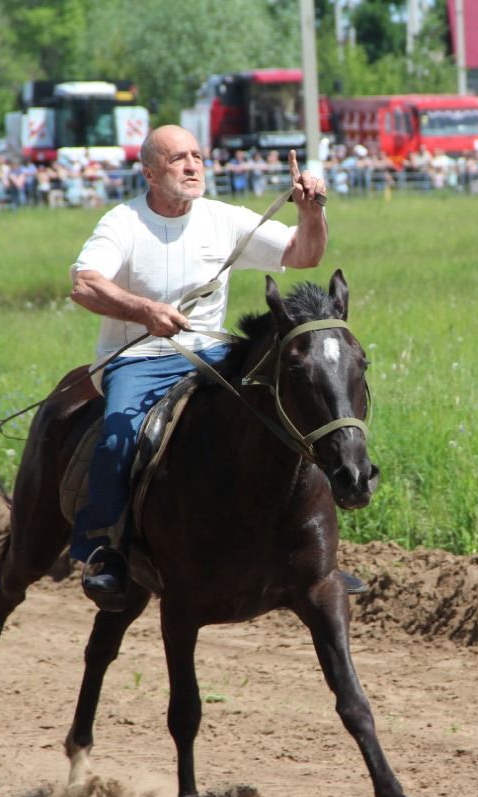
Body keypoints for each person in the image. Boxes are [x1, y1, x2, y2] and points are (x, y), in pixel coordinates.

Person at [68, 124, 328, 610]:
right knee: (120, 437)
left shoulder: (223, 219)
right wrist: (144, 311)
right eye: (177, 160)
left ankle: (311, 550)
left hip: (210, 355)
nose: (192, 167)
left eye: (197, 157)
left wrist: (311, 212)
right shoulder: (122, 223)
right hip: (138, 358)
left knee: (285, 414)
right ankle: (106, 552)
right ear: (149, 173)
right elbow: (84, 285)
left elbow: (304, 254)